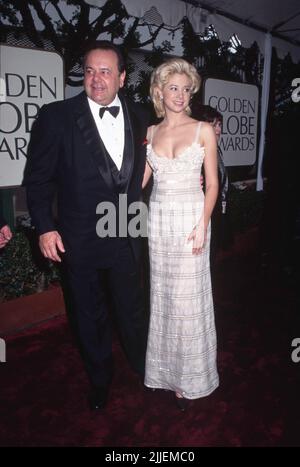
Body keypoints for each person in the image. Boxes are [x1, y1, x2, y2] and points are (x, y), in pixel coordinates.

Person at [24, 40, 149, 410]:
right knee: (87, 312)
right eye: (90, 70)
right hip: (78, 236)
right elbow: (39, 178)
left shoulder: (142, 115)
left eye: (106, 71)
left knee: (134, 307)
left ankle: (146, 370)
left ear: (122, 77)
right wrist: (45, 226)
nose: (96, 79)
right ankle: (100, 379)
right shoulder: (55, 116)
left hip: (129, 227)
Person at [142, 58, 219, 410]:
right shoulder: (152, 132)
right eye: (173, 87)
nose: (180, 94)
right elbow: (137, 183)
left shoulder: (203, 129)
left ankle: (190, 379)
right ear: (159, 91)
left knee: (189, 301)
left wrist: (203, 224)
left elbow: (213, 184)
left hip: (191, 221)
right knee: (164, 299)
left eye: (185, 89)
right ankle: (163, 373)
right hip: (159, 223)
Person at [193, 105, 230, 268]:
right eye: (213, 124)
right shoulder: (197, 153)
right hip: (201, 217)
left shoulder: (216, 150)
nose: (217, 129)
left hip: (216, 216)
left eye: (219, 125)